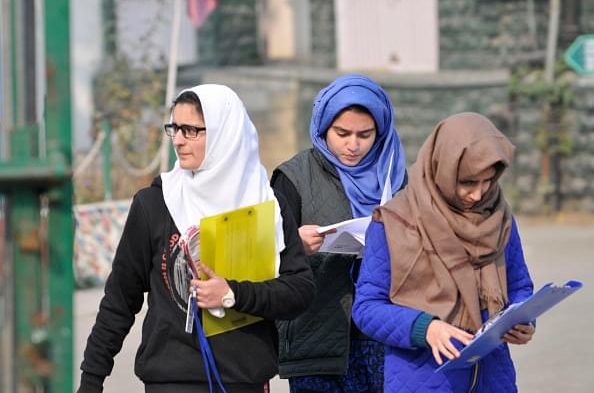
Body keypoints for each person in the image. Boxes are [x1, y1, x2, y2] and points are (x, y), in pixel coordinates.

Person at [77, 84, 315, 393]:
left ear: (223, 134)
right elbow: (120, 299)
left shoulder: (265, 203)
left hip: (244, 380)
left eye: (191, 130)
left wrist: (232, 295)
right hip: (171, 381)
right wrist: (91, 379)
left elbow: (298, 291)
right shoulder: (155, 203)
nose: (177, 140)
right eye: (174, 128)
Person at [352, 112, 536, 392]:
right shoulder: (392, 222)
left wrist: (522, 320)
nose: (478, 194)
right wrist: (425, 328)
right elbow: (367, 308)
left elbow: (519, 285)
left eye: (487, 182)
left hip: (492, 377)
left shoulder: (499, 217)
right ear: (442, 169)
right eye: (468, 183)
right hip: (421, 378)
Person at [271, 74, 407, 392]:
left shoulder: (396, 177)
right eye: (342, 133)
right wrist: (294, 245)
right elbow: (262, 258)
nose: (353, 145)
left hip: (382, 337)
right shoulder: (293, 177)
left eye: (365, 134)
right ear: (323, 127)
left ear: (381, 132)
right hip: (316, 340)